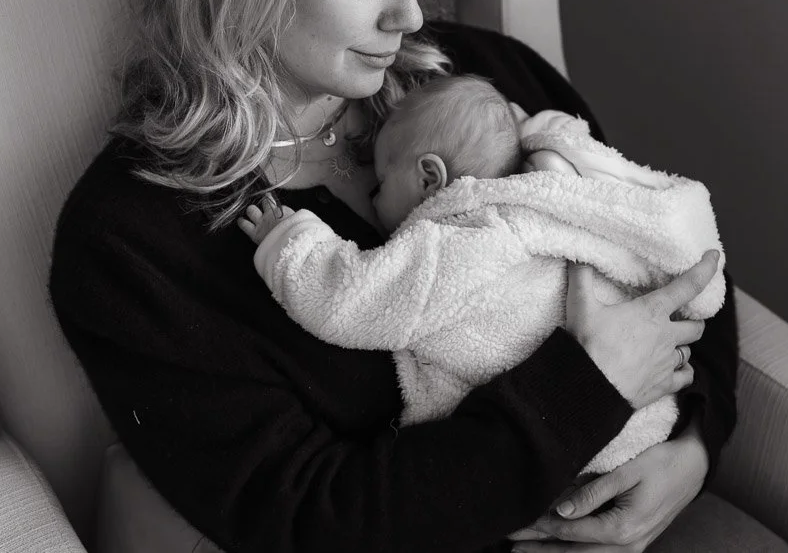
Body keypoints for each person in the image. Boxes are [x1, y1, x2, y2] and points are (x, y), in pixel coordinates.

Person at [49, 0, 740, 553]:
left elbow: (658, 241)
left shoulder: (486, 81)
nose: (408, 16)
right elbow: (308, 517)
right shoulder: (131, 244)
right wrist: (587, 385)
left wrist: (693, 449)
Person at [237, 73, 726, 477]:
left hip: (590, 452)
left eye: (381, 183)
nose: (373, 196)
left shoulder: (457, 242)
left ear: (430, 179)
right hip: (627, 429)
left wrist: (290, 242)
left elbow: (352, 301)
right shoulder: (549, 198)